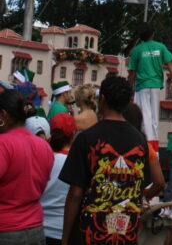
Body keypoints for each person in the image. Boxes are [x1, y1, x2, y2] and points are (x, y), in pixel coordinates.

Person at [59, 75, 150, 245]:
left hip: (90, 234)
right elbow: (141, 188)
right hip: (126, 236)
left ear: (102, 99)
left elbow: (75, 193)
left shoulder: (87, 138)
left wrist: (65, 238)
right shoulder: (140, 141)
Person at [0, 88, 54, 244]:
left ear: (3, 115)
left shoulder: (4, 144)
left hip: (6, 230)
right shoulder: (43, 146)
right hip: (36, 228)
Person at [127, 22, 172, 151]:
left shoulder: (137, 50)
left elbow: (132, 72)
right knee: (154, 116)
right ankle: (154, 146)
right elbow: (170, 63)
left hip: (142, 86)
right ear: (153, 34)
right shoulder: (160, 47)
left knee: (143, 116)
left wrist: (128, 88)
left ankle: (145, 144)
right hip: (155, 85)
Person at [40, 111, 77, 245]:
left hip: (41, 228)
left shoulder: (43, 159)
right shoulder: (75, 163)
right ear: (73, 135)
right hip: (64, 231)